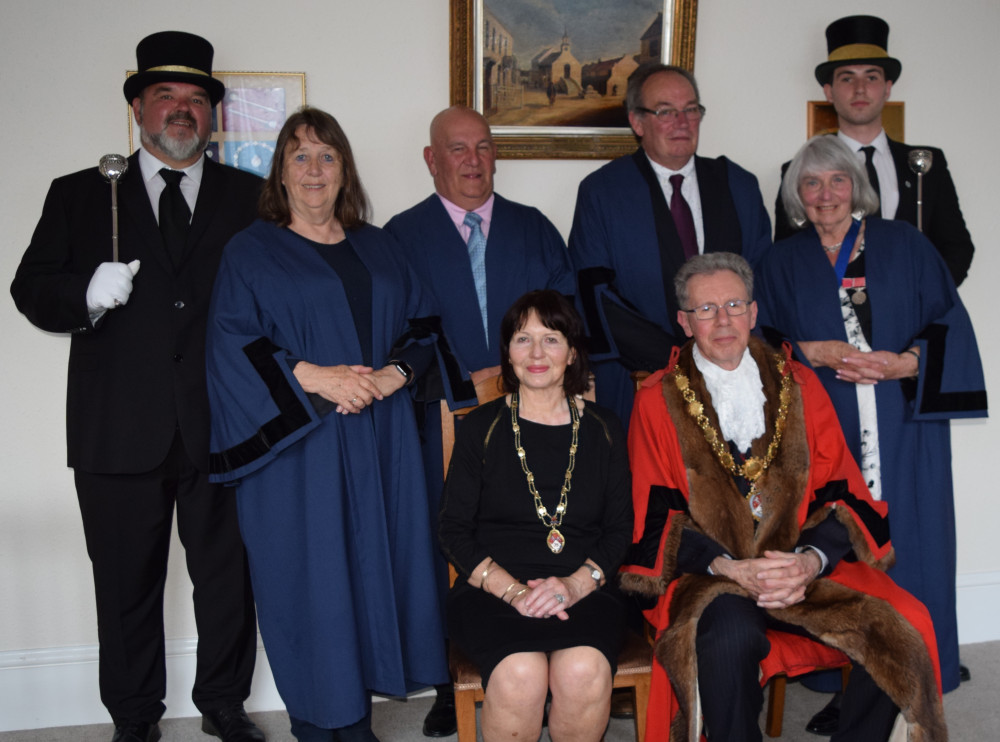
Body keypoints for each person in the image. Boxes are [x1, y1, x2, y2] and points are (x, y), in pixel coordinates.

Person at [10, 31, 263, 742]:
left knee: (226, 581)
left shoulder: (252, 198)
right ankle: (134, 716)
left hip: (225, 424)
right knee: (124, 585)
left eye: (195, 100)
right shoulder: (81, 194)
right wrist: (84, 294)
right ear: (137, 109)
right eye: (165, 97)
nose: (181, 111)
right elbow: (30, 289)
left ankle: (222, 704)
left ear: (212, 116)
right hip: (116, 428)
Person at [205, 106, 468, 742]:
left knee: (380, 570)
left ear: (345, 169)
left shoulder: (379, 245)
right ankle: (322, 723)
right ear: (281, 174)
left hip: (380, 440)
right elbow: (232, 340)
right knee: (312, 577)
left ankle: (357, 719)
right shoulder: (251, 251)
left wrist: (391, 377)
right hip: (301, 448)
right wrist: (316, 376)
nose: (315, 169)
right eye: (300, 156)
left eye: (328, 156)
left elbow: (423, 327)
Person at [620, 253, 947, 742]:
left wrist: (809, 562)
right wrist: (731, 568)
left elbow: (844, 490)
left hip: (796, 565)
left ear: (753, 313)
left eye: (734, 304)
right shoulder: (656, 399)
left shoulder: (800, 383)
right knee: (730, 636)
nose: (723, 319)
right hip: (711, 576)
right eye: (706, 310)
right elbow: (654, 513)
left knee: (903, 625)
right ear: (685, 323)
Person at [756, 135, 986, 711]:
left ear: (856, 188)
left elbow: (949, 322)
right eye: (811, 184)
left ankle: (914, 671)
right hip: (823, 424)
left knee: (912, 538)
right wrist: (808, 351)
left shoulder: (905, 244)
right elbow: (761, 340)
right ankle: (842, 684)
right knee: (834, 539)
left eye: (837, 181)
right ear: (796, 197)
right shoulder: (780, 261)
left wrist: (905, 362)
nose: (825, 194)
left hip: (900, 420)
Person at [384, 105, 574, 737]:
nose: (473, 161)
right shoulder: (400, 236)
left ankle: (542, 659)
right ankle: (448, 675)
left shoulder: (533, 228)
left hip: (536, 412)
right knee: (441, 534)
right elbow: (396, 333)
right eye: (457, 149)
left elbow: (568, 323)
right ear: (432, 159)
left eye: (484, 147)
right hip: (437, 416)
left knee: (533, 528)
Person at [439, 290, 633, 742]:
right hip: (492, 588)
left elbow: (620, 529)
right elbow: (452, 530)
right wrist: (512, 592)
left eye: (551, 338)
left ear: (572, 353)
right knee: (521, 672)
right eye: (523, 340)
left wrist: (574, 584)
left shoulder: (605, 428)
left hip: (585, 587)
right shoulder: (481, 429)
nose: (537, 353)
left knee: (583, 668)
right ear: (508, 353)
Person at [569, 63, 772, 429]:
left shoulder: (738, 185)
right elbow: (595, 293)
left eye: (691, 110)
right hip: (641, 377)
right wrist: (678, 359)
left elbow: (761, 278)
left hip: (734, 374)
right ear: (637, 122)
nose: (682, 122)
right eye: (665, 111)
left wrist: (721, 352)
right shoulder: (603, 192)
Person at [774, 15, 974, 286]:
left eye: (871, 77)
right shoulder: (799, 172)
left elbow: (957, 247)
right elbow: (788, 256)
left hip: (915, 323)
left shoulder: (926, 165)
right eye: (847, 79)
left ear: (887, 88)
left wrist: (924, 301)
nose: (860, 89)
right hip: (830, 320)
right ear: (829, 92)